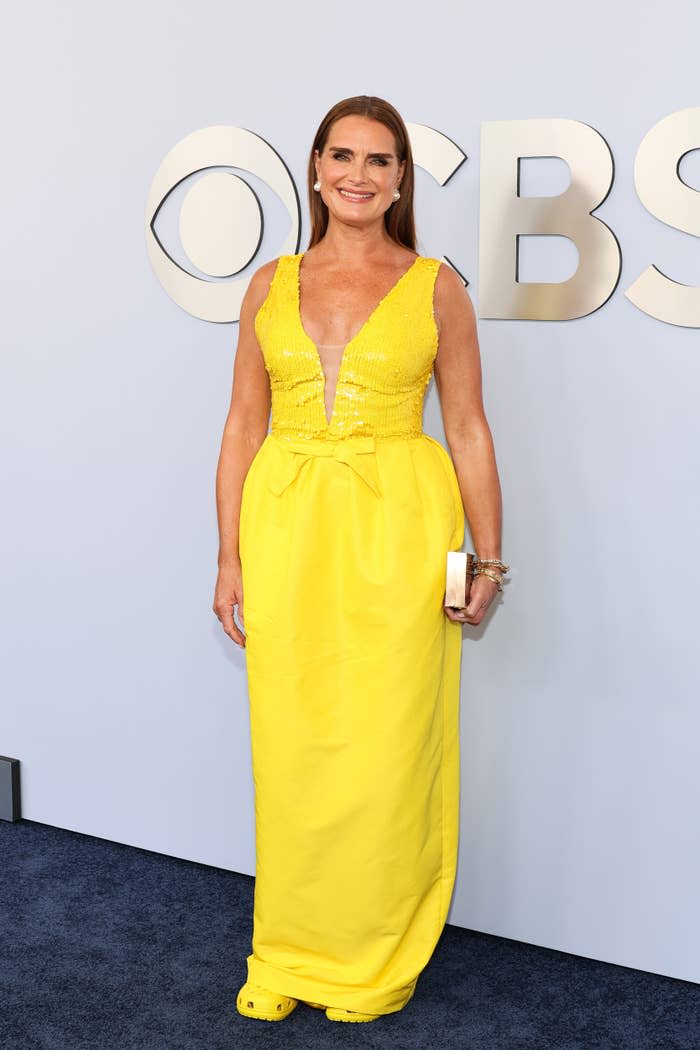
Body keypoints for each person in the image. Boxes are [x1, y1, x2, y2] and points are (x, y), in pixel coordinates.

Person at [213, 95, 507, 1024]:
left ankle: (374, 957)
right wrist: (229, 558)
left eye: (380, 161)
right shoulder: (270, 283)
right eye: (342, 155)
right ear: (313, 167)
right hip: (288, 524)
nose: (358, 174)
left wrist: (486, 564)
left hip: (401, 530)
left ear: (401, 181)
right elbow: (242, 425)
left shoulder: (436, 287)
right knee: (294, 746)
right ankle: (291, 948)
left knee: (387, 747)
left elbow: (465, 425)